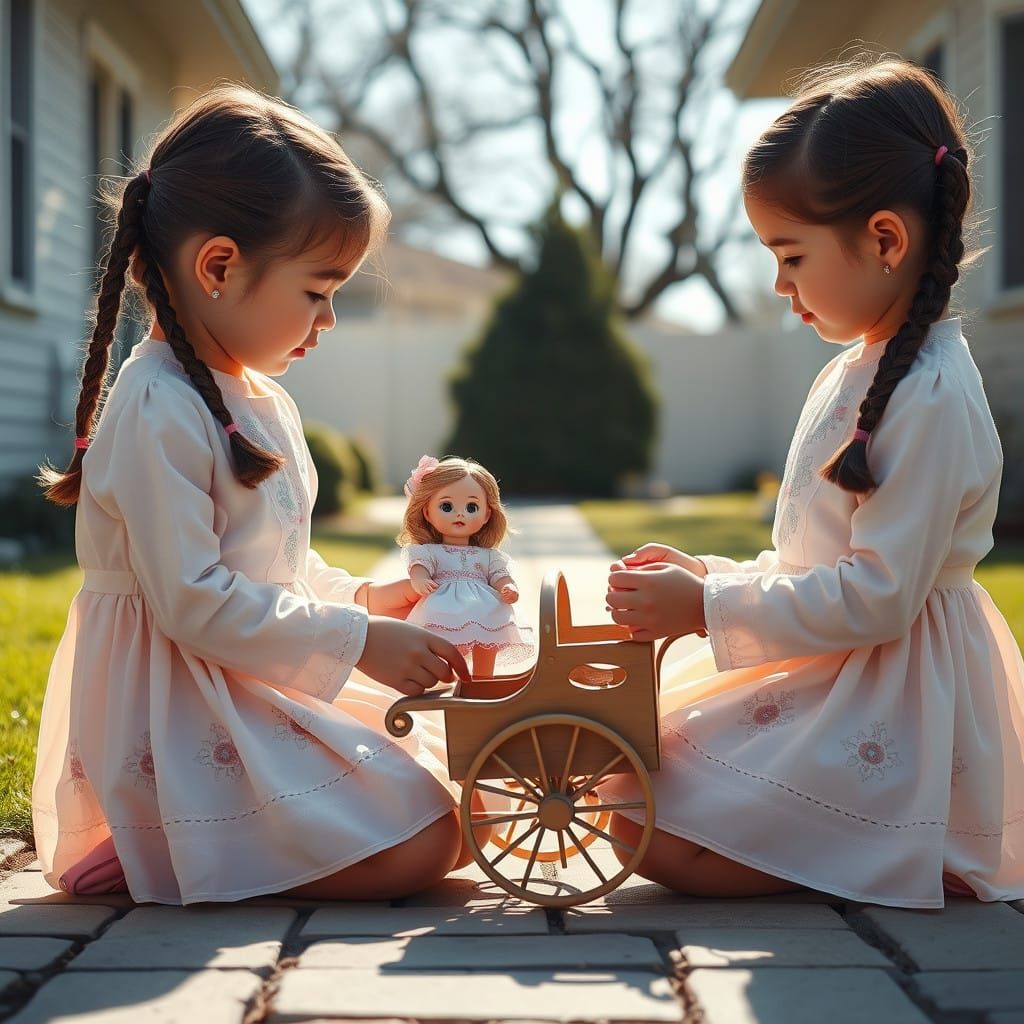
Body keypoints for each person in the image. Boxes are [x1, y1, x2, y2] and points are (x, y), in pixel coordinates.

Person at [31, 85, 483, 905]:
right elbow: (194, 603)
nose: (330, 319)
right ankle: (165, 838)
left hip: (249, 676)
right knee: (424, 843)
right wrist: (355, 641)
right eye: (318, 290)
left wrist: (371, 601)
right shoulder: (156, 407)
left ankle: (236, 839)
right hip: (186, 706)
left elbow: (276, 566)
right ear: (218, 267)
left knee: (452, 801)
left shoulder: (256, 397)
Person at [599, 56, 1024, 907]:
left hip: (886, 690)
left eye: (789, 255)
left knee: (650, 827)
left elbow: (878, 598)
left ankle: (877, 842)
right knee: (626, 782)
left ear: (885, 239)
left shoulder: (930, 392)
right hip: (831, 665)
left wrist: (709, 612)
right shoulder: (859, 368)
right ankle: (834, 839)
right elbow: (814, 554)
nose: (779, 285)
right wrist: (713, 578)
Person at [398, 455, 534, 678]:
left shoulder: (489, 556)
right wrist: (420, 579)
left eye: (472, 507)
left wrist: (508, 587)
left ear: (487, 515)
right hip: (444, 607)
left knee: (487, 640)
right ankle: (446, 677)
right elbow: (419, 566)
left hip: (484, 607)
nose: (460, 514)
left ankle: (483, 677)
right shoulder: (430, 551)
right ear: (427, 512)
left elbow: (499, 575)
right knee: (443, 642)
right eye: (446, 506)